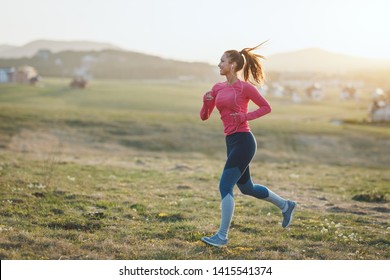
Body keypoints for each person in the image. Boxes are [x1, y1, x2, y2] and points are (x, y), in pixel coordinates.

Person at [199, 43, 296, 247]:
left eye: (222, 61)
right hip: (231, 141)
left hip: (244, 140)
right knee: (247, 188)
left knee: (225, 186)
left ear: (233, 65)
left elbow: (266, 107)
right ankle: (285, 205)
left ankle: (222, 236)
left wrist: (244, 115)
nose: (219, 64)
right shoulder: (217, 88)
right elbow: (204, 116)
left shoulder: (245, 88)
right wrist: (206, 101)